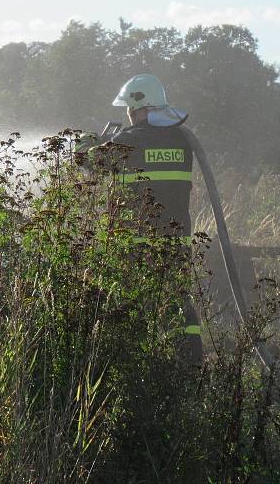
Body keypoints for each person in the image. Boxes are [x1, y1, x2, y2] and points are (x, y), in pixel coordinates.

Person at [80, 74, 202, 365]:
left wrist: (85, 145)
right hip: (176, 240)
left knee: (130, 303)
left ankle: (136, 369)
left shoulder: (129, 141)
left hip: (137, 244)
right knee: (177, 301)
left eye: (128, 108)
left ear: (138, 106)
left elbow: (89, 165)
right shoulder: (183, 140)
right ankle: (191, 366)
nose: (127, 113)